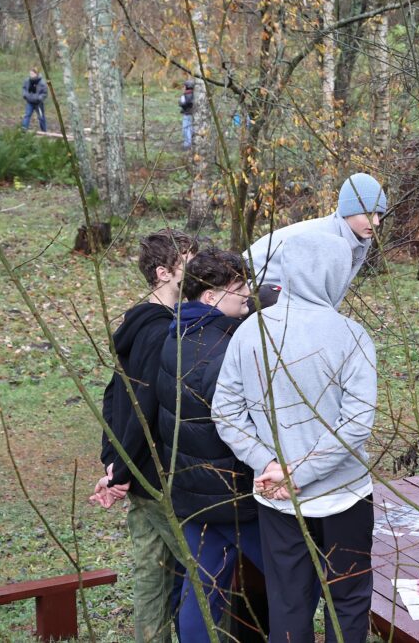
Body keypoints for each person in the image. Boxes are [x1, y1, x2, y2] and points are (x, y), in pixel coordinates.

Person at [213, 231, 377, 643]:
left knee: (288, 603)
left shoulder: (250, 331)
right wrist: (294, 472)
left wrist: (271, 466)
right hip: (342, 496)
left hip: (279, 495)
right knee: (348, 601)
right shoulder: (351, 335)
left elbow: (226, 412)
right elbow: (357, 422)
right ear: (336, 272)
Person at [90, 228, 197, 643]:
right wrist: (119, 471)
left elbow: (112, 395)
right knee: (204, 573)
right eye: (188, 261)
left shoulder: (139, 322)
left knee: (152, 576)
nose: (197, 269)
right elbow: (142, 407)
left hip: (138, 474)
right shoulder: (160, 332)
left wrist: (113, 463)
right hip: (156, 479)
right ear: (163, 272)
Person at [155, 247, 266, 642]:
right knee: (296, 576)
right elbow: (242, 423)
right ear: (210, 296)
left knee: (203, 590)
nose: (248, 293)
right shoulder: (223, 349)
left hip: (191, 490)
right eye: (239, 287)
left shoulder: (177, 335)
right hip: (231, 494)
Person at [243, 172, 387, 309]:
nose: (376, 222)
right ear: (348, 212)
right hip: (249, 290)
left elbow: (334, 295)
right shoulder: (325, 240)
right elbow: (312, 301)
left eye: (379, 214)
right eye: (368, 214)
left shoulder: (361, 240)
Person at [22, 67, 48, 132]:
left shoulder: (42, 82)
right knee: (27, 115)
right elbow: (24, 88)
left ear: (36, 74)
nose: (31, 75)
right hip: (29, 102)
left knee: (41, 117)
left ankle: (44, 131)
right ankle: (23, 129)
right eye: (30, 74)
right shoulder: (27, 81)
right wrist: (25, 95)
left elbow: (44, 93)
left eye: (32, 74)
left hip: (38, 103)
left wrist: (39, 98)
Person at [180, 80, 195, 149]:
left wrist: (181, 102)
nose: (183, 88)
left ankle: (187, 144)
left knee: (186, 129)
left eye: (184, 86)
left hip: (187, 114)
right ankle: (189, 143)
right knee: (190, 128)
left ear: (187, 87)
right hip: (190, 113)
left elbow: (184, 103)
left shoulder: (187, 94)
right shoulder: (192, 94)